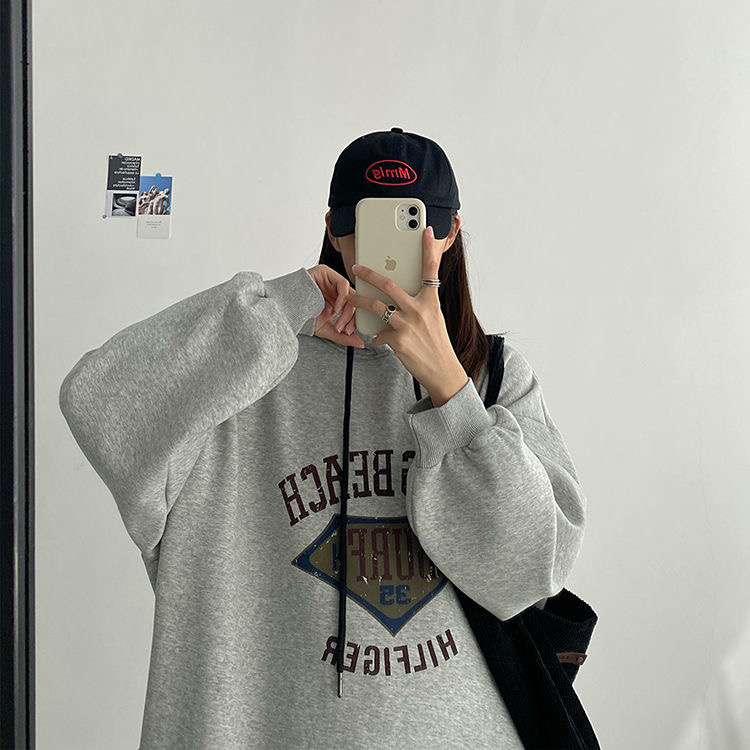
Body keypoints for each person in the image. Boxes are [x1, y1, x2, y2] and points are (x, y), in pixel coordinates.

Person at [59, 127, 587, 749]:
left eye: (417, 222)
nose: (394, 247)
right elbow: (97, 401)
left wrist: (449, 389)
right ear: (335, 231)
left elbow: (529, 572)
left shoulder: (493, 380)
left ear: (450, 234)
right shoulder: (243, 372)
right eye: (368, 222)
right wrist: (282, 306)